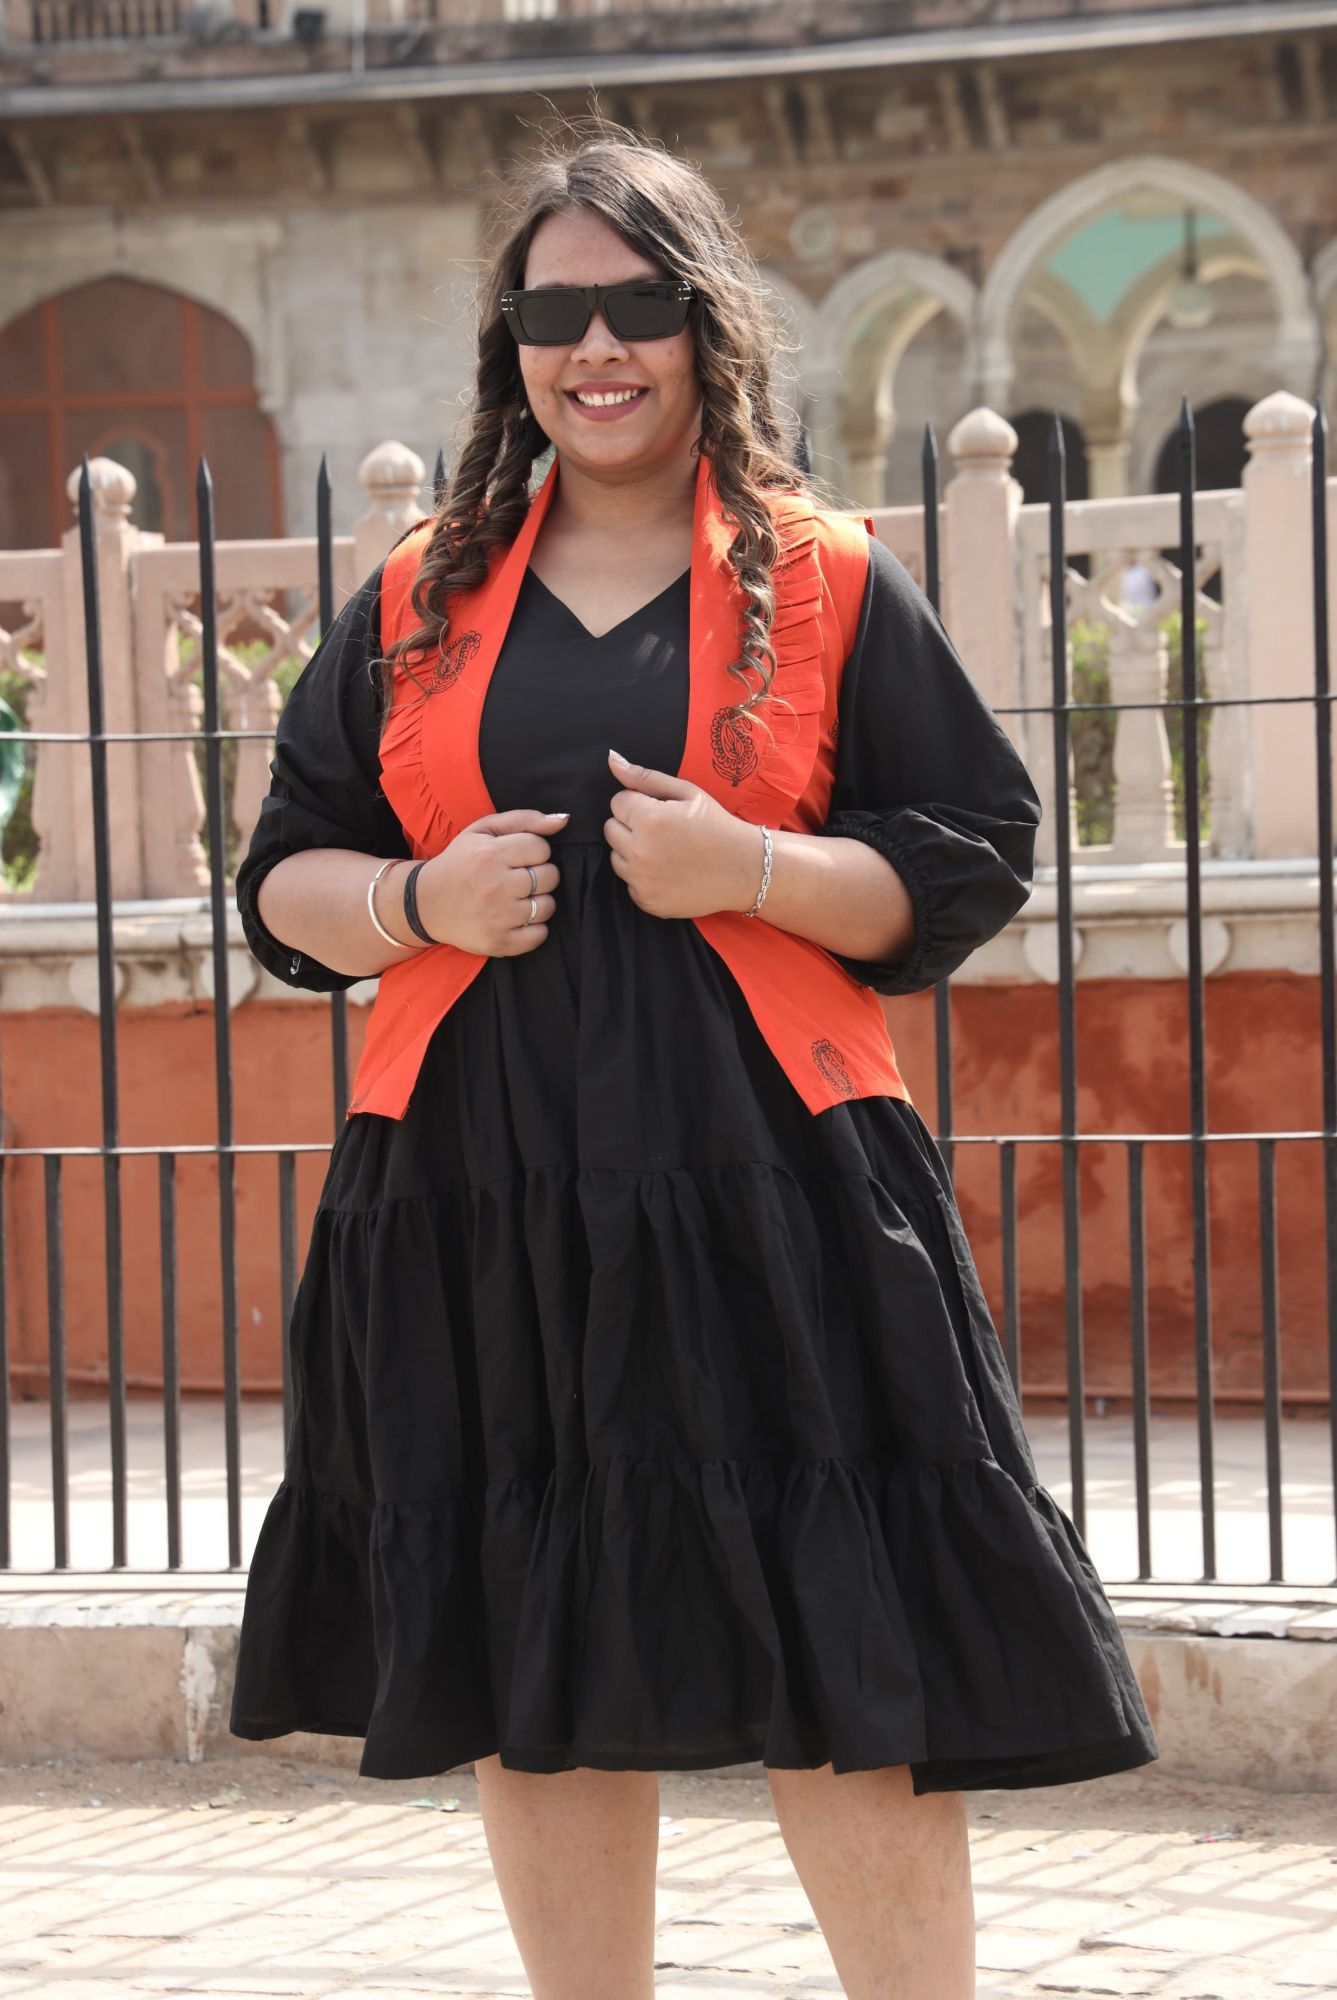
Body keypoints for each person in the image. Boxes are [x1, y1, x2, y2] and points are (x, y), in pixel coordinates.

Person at [228, 123, 1157, 2000]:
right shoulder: (414, 598)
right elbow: (284, 879)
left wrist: (745, 869)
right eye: (551, 312)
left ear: (699, 325)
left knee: (849, 1630)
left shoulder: (819, 577)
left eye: (634, 305)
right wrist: (414, 901)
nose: (596, 349)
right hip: (479, 1188)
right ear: (511, 346)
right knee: (525, 1646)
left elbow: (965, 851)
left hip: (779, 1181)